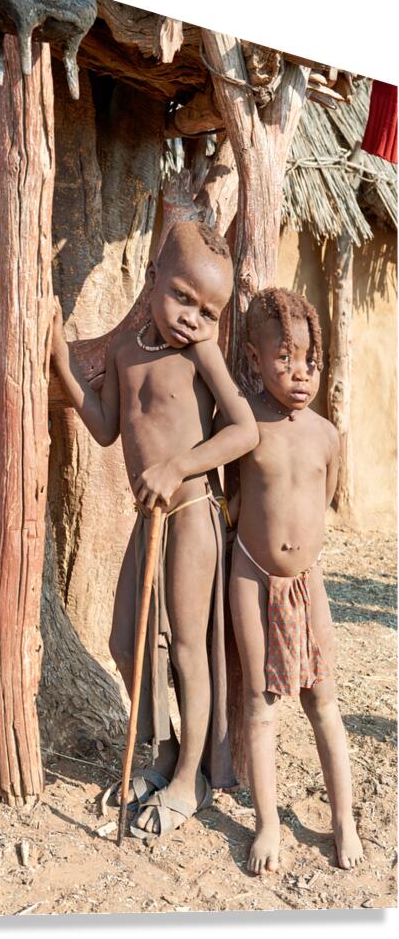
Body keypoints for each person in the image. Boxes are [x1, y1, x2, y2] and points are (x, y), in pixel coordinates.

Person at [50, 221, 258, 838]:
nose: (193, 318)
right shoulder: (125, 351)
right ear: (151, 280)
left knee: (189, 648)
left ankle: (191, 778)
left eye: (209, 310)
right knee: (125, 640)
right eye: (183, 298)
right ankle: (164, 753)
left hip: (192, 512)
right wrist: (61, 364)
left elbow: (243, 430)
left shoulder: (199, 353)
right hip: (151, 521)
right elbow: (107, 426)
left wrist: (178, 466)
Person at [227, 287, 364, 873]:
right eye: (283, 358)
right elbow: (232, 496)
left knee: (322, 703)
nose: (300, 372)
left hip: (308, 584)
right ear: (255, 361)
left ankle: (343, 821)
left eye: (309, 358)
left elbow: (324, 496)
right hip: (251, 577)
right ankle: (267, 823)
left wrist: (300, 554)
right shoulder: (241, 424)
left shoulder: (326, 434)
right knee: (259, 703)